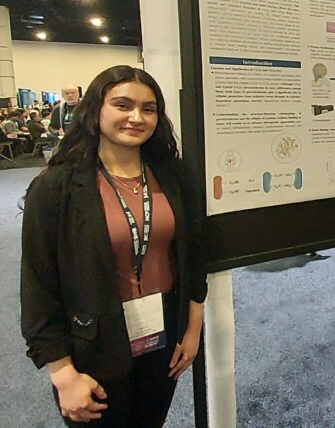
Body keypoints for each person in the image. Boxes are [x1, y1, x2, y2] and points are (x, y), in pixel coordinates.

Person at [21, 65, 206, 428]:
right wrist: (62, 373)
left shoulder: (173, 175)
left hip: (164, 333)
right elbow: (38, 284)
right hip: (95, 340)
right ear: (96, 109)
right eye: (123, 105)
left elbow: (195, 254)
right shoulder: (55, 187)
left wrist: (193, 327)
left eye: (148, 108)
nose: (136, 117)